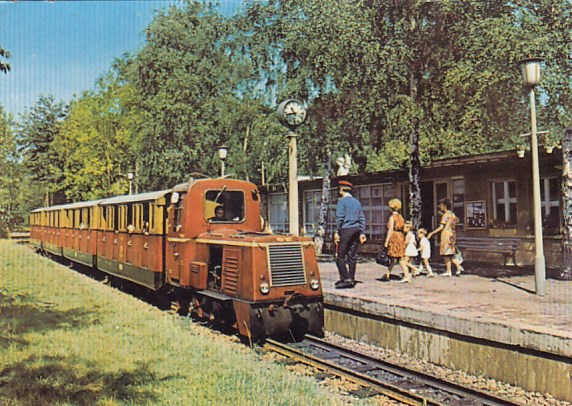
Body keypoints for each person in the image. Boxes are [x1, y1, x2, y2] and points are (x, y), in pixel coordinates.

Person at [333, 180, 367, 289]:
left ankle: (345, 279)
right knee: (352, 255)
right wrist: (362, 231)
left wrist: (336, 232)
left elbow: (340, 217)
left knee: (340, 255)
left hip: (345, 229)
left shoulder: (342, 202)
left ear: (342, 189)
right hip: (356, 230)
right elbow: (361, 217)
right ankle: (351, 278)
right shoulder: (357, 202)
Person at [428, 197, 464, 276]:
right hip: (452, 234)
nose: (440, 207)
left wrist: (432, 233)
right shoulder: (452, 214)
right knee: (450, 253)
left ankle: (449, 270)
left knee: (446, 254)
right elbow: (457, 221)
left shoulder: (445, 215)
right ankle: (457, 267)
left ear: (444, 205)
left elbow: (441, 227)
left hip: (446, 235)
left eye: (441, 205)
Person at [383, 198, 410, 283]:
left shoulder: (392, 217)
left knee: (399, 258)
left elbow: (390, 229)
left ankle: (406, 275)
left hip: (394, 236)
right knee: (394, 257)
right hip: (400, 236)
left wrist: (386, 241)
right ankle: (387, 274)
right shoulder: (401, 217)